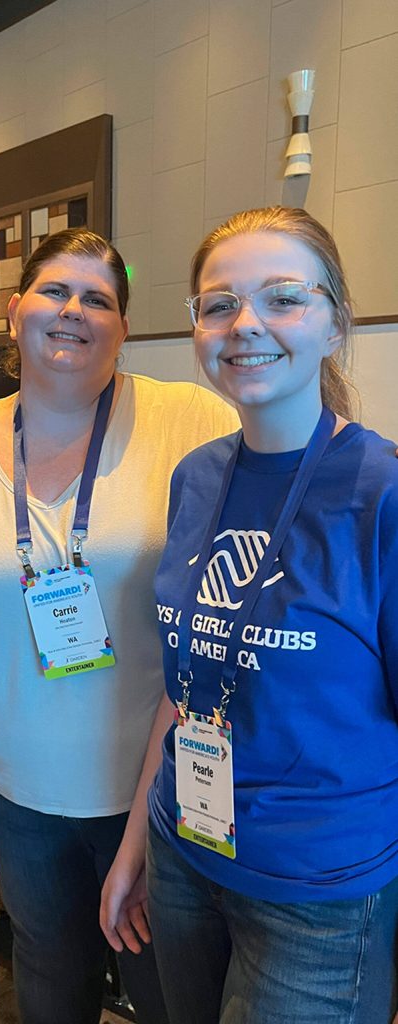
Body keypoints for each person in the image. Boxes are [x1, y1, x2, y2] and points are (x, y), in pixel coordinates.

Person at [0, 228, 238, 1024]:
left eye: (98, 299)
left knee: (166, 996)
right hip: (17, 790)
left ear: (123, 329)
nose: (73, 310)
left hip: (156, 790)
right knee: (48, 983)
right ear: (15, 314)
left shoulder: (187, 421)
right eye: (54, 292)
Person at [101, 207, 398, 1023]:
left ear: (335, 321)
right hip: (183, 852)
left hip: (317, 893)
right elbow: (186, 684)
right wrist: (134, 846)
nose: (245, 325)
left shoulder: (381, 494)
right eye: (218, 303)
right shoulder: (198, 476)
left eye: (281, 299)